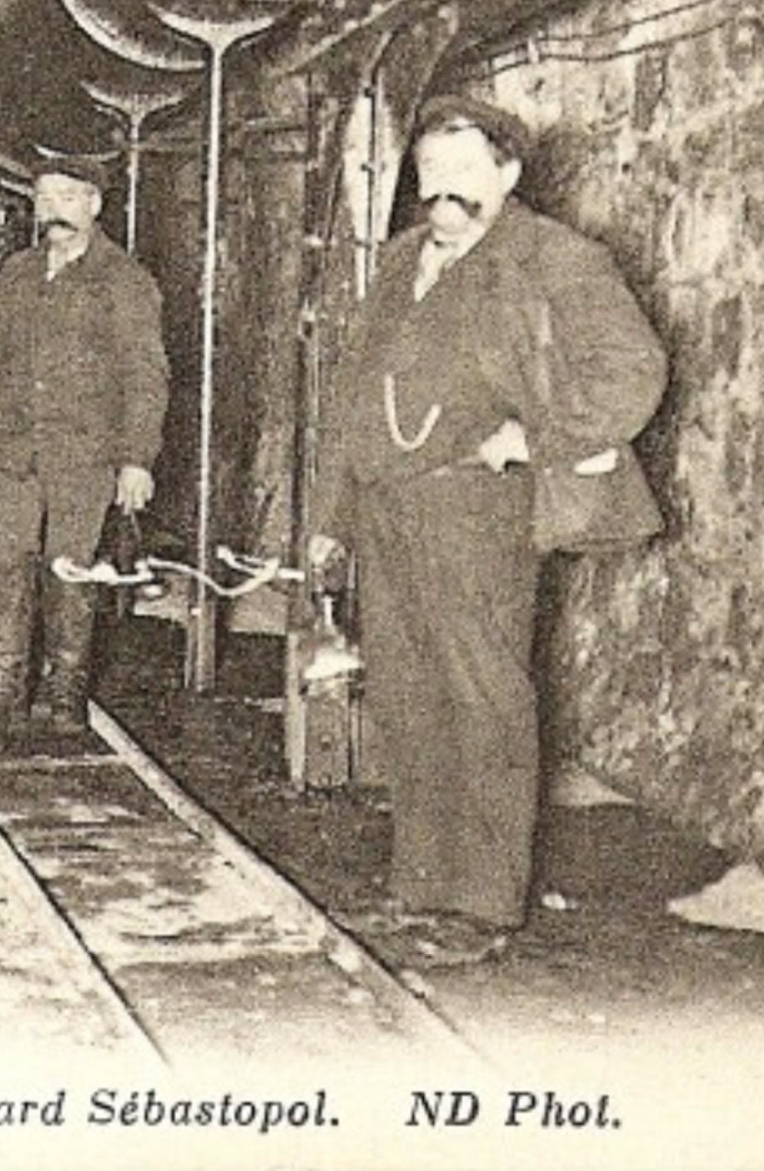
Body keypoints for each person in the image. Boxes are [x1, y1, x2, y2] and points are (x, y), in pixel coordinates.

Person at [309, 93, 666, 965]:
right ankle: (422, 880)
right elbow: (355, 391)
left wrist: (538, 439)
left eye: (466, 170)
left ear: (507, 174)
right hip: (389, 507)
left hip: (477, 508)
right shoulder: (401, 260)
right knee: (406, 693)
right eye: (432, 171)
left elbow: (633, 368)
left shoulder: (553, 257)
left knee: (482, 694)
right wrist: (331, 517)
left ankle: (484, 901)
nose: (445, 188)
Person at [0, 157, 169, 740]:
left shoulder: (124, 280)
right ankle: (4, 693)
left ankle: (66, 695)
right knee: (6, 565)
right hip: (10, 446)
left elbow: (146, 377)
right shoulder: (17, 273)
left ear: (95, 204)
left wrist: (137, 459)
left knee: (70, 569)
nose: (53, 211)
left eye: (68, 197)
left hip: (83, 451)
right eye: (44, 199)